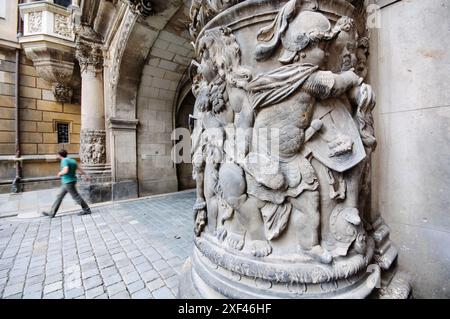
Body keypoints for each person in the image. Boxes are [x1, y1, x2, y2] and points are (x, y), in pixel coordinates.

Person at [42, 149, 92, 218]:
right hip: (70, 181)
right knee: (59, 196)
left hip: (68, 182)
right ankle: (52, 213)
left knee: (76, 197)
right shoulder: (72, 160)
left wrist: (60, 173)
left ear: (60, 155)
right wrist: (86, 175)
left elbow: (66, 170)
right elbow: (79, 169)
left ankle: (87, 209)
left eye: (58, 155)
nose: (57, 156)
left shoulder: (64, 160)